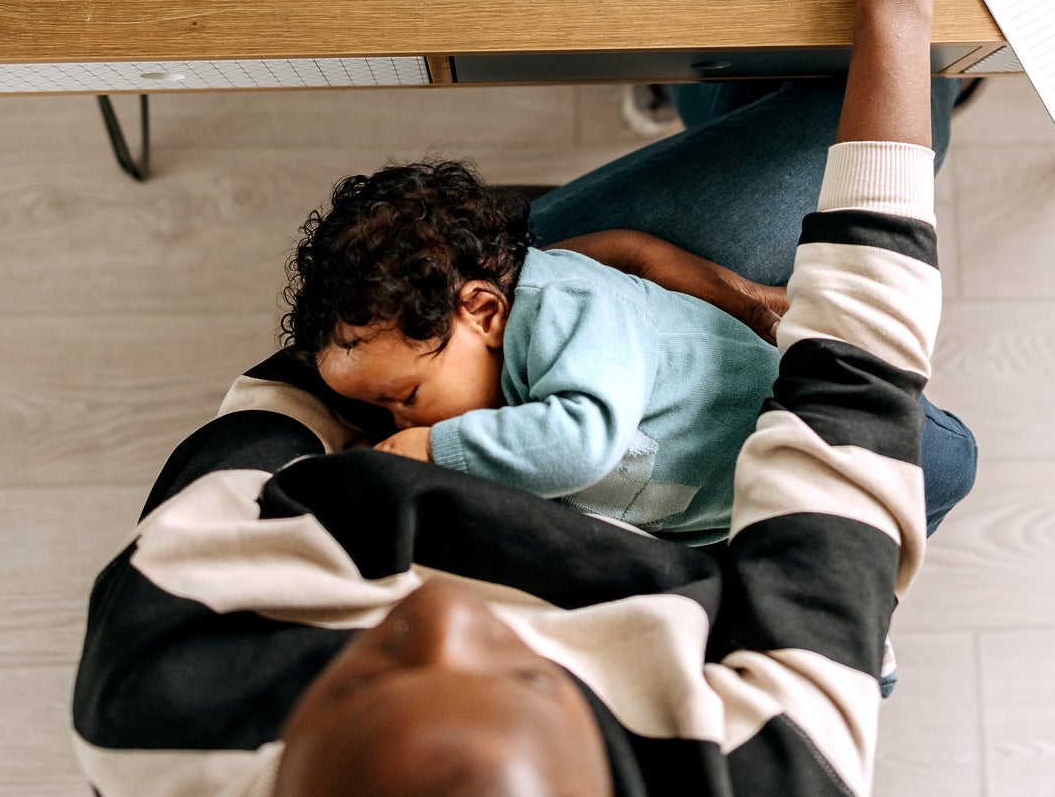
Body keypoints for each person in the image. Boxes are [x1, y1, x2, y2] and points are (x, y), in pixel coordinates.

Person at [72, 0, 986, 796]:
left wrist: (395, 325)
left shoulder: (155, 688)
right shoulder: (779, 745)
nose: (449, 609)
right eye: (534, 665)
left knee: (804, 128)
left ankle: (717, 88)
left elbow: (282, 396)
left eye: (362, 668)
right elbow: (853, 388)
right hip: (668, 478)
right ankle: (739, 85)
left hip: (465, 322)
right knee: (922, 366)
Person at [286, 161, 791, 545]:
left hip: (810, 435)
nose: (400, 425)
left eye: (406, 396)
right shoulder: (490, 383)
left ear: (482, 313)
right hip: (742, 517)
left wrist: (430, 450)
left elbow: (581, 441)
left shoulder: (569, 305)